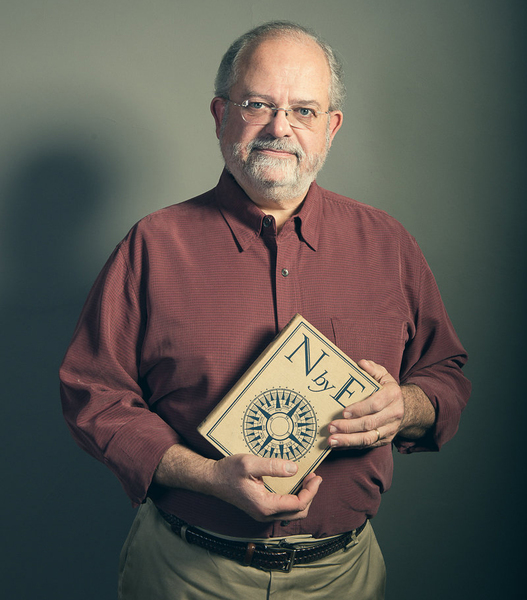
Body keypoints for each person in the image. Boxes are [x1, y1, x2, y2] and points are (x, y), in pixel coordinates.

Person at [60, 20, 471, 600]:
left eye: (303, 110)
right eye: (258, 104)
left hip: (343, 578)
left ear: (331, 128)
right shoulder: (152, 245)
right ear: (219, 114)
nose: (281, 128)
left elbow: (445, 376)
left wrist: (406, 406)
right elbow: (91, 393)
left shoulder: (387, 243)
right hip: (186, 574)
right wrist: (204, 475)